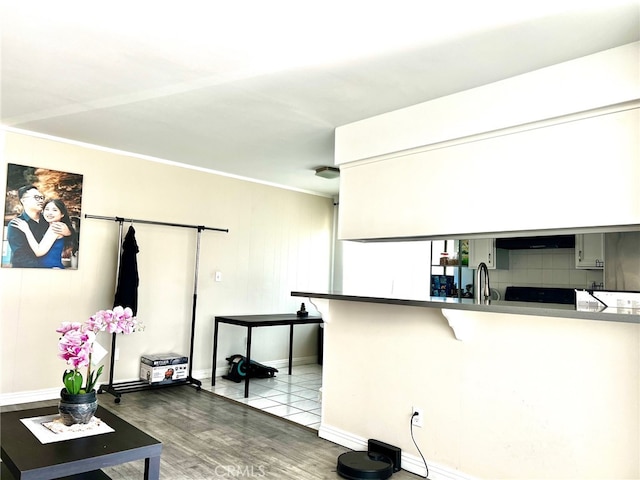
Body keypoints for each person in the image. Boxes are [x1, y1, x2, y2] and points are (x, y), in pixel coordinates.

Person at [7, 186, 72, 268]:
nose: (41, 200)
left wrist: (69, 232)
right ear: (24, 201)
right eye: (36, 197)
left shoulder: (48, 220)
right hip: (28, 272)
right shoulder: (16, 224)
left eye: (42, 197)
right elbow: (21, 257)